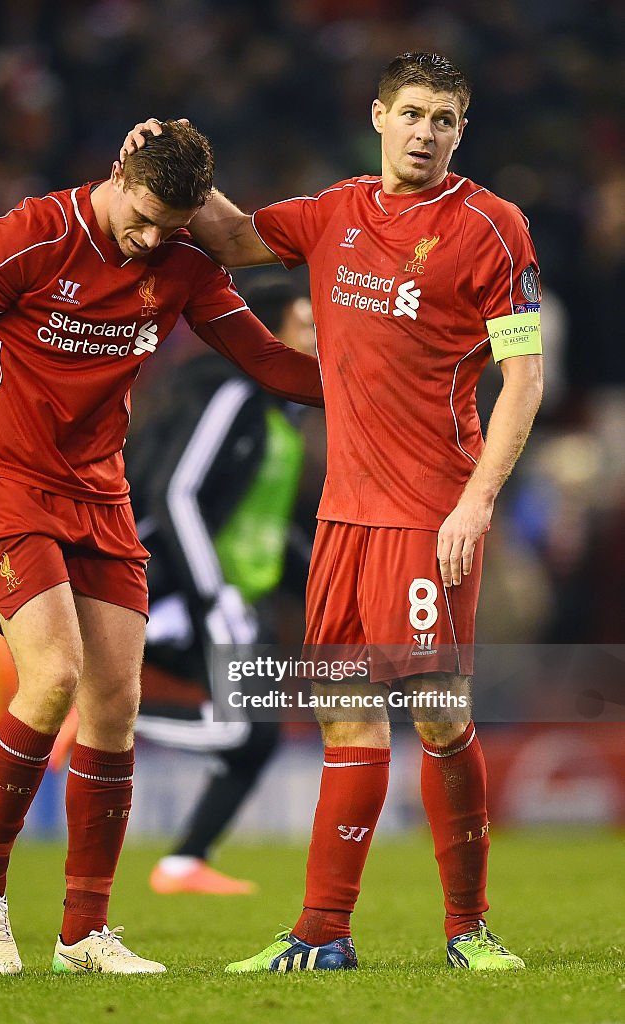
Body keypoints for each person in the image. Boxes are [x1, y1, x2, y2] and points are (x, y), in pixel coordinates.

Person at [124, 52, 543, 971]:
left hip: (431, 513)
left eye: (444, 117)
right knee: (345, 720)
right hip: (345, 521)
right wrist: (169, 166)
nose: (426, 131)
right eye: (413, 113)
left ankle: (468, 930)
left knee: (437, 713)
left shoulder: (494, 228)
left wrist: (477, 505)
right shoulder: (335, 211)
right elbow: (231, 238)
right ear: (378, 116)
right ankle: (322, 933)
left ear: (460, 131)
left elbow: (524, 377)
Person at [0, 121, 322, 977]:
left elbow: (269, 361)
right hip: (3, 477)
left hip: (100, 492)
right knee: (51, 679)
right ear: (120, 171)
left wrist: (379, 385)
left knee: (114, 705)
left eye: (175, 224)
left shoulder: (186, 262)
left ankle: (83, 932)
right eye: (147, 217)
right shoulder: (27, 237)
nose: (154, 239)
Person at [133, 276, 316, 895]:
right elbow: (174, 495)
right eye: (307, 325)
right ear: (267, 333)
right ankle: (109, 714)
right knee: (243, 727)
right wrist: (212, 598)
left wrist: (326, 582)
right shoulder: (235, 392)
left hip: (238, 596)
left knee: (254, 738)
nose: (320, 339)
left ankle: (185, 861)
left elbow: (262, 524)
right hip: (184, 591)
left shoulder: (280, 415)